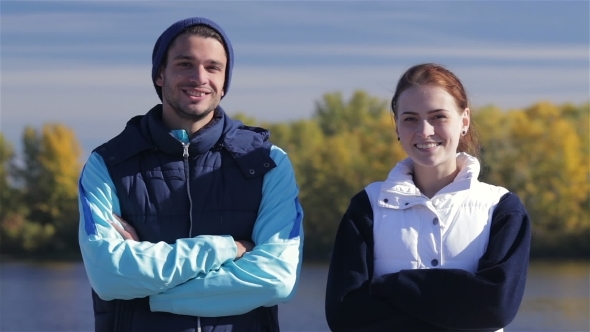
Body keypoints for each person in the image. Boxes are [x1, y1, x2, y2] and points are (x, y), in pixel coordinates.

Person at [78, 17, 304, 332]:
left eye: (213, 67)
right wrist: (229, 249)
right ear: (159, 74)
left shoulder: (266, 163)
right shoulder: (108, 164)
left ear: (225, 82)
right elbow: (109, 276)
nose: (199, 77)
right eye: (185, 64)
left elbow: (275, 280)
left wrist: (150, 291)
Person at [324, 63, 531, 332]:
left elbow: (496, 308)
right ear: (397, 126)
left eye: (438, 117)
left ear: (464, 121)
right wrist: (458, 298)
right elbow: (344, 315)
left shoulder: (501, 209)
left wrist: (391, 286)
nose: (424, 131)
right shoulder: (367, 206)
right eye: (410, 118)